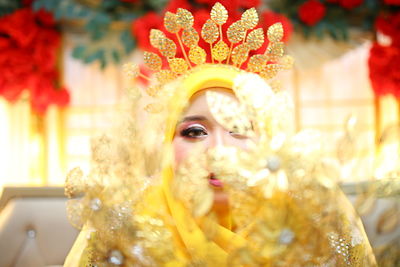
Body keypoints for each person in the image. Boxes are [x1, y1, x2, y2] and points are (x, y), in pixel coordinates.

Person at [64, 3, 377, 266]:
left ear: (268, 139)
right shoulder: (124, 226)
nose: (218, 150)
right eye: (195, 132)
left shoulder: (313, 221)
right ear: (166, 143)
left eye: (239, 128)